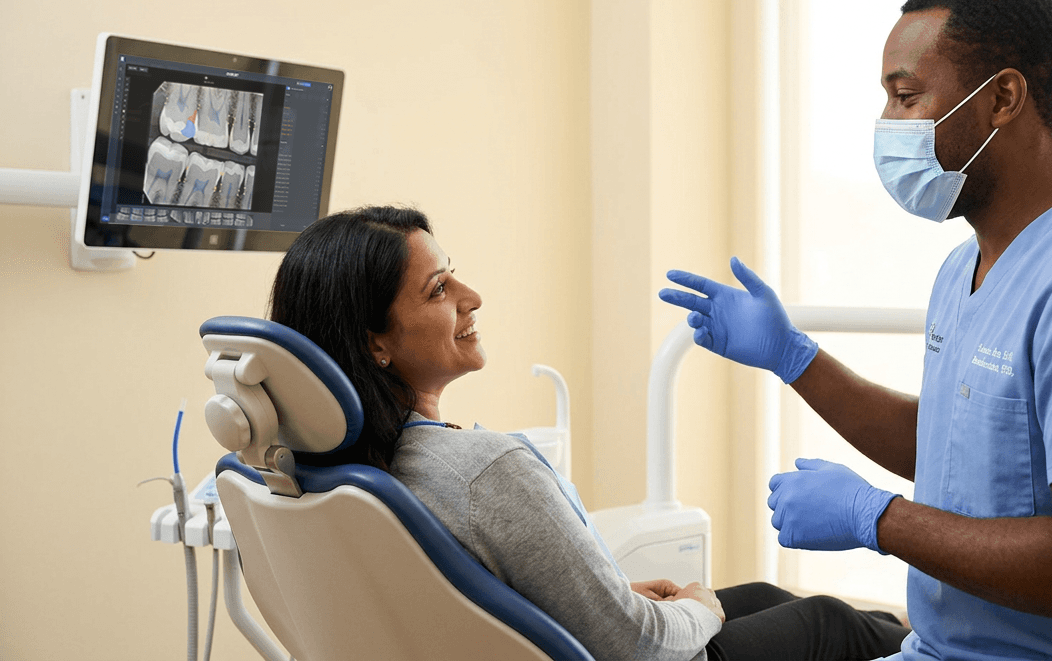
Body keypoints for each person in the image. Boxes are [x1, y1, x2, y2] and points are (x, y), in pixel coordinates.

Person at [660, 0, 1052, 660]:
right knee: (725, 624)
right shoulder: (966, 268)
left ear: (1003, 97)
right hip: (943, 647)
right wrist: (794, 359)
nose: (889, 125)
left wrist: (876, 518)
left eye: (907, 96)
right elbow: (957, 451)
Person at [268, 205, 909, 661]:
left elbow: (455, 598)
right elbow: (633, 646)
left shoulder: (324, 472)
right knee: (833, 624)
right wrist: (698, 612)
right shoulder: (483, 470)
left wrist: (600, 593)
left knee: (769, 594)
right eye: (439, 289)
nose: (472, 296)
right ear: (375, 341)